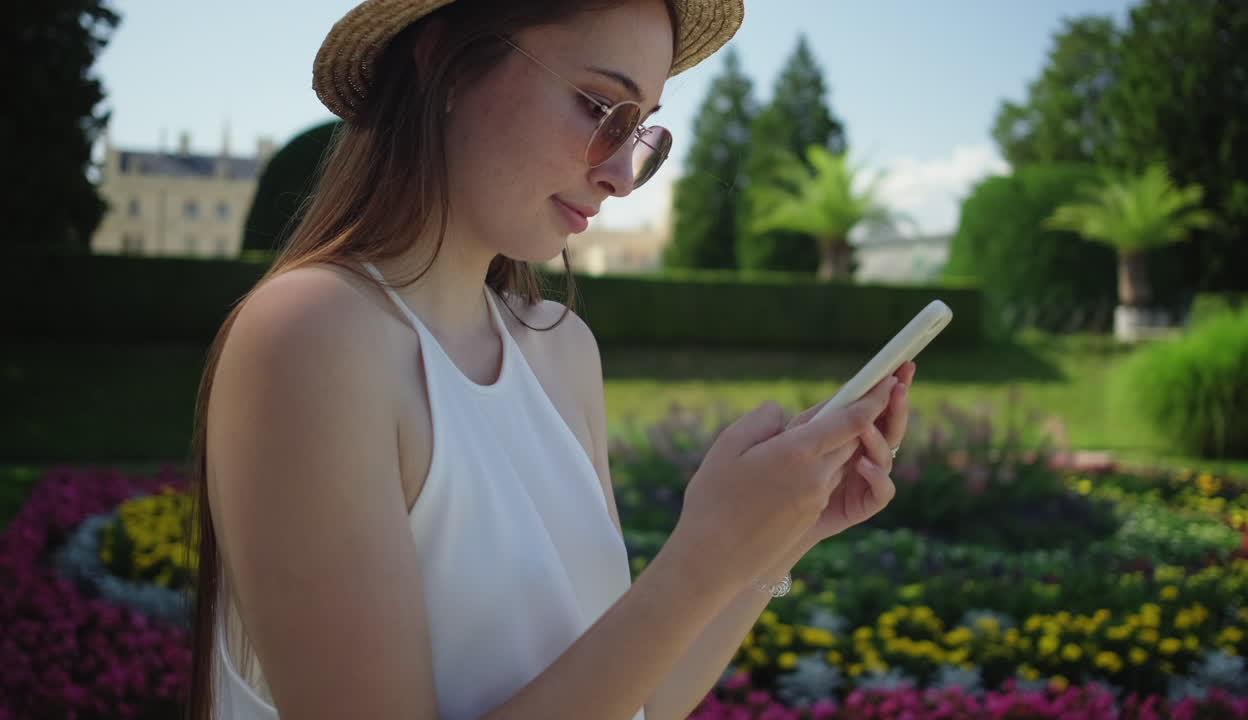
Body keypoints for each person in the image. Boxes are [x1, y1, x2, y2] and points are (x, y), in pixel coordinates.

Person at [183, 0, 916, 718]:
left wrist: (771, 543)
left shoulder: (560, 347)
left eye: (640, 129)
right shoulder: (314, 336)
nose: (623, 175)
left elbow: (639, 699)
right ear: (443, 60)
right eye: (601, 108)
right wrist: (705, 558)